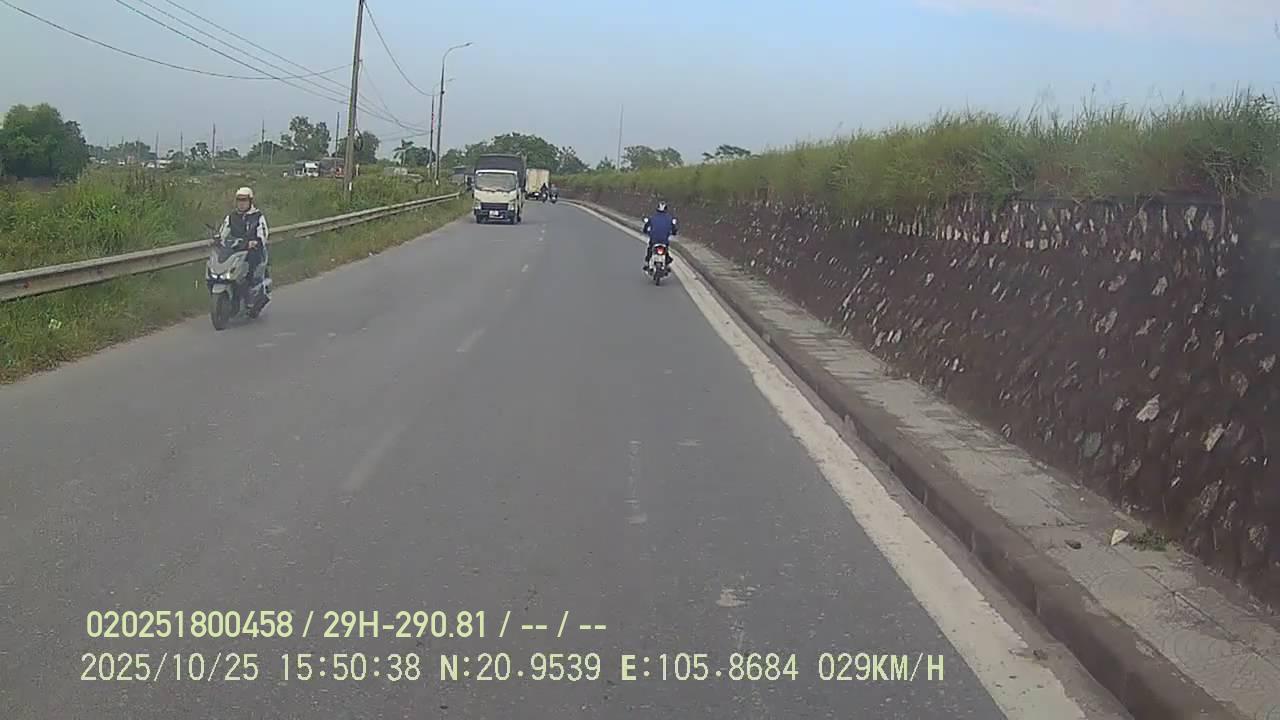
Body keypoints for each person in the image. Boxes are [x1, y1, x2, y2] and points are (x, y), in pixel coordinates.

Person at [217, 186, 270, 291]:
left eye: (244, 200)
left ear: (250, 201)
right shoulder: (231, 217)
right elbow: (223, 232)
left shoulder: (257, 216)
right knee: (221, 262)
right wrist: (219, 240)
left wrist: (257, 242)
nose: (241, 203)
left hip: (251, 250)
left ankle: (252, 287)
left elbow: (263, 234)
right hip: (235, 249)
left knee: (252, 261)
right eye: (239, 200)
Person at [643, 200, 678, 271]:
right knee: (666, 249)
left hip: (654, 239)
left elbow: (646, 227)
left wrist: (646, 231)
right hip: (664, 240)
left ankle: (647, 262)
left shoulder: (653, 217)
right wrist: (673, 232)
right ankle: (667, 262)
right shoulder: (669, 218)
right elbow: (674, 229)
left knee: (650, 248)